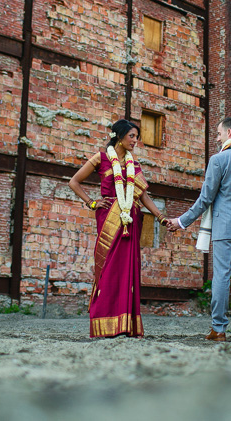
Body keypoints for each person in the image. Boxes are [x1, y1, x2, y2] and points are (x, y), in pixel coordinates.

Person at [167, 117, 231, 342]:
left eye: (218, 133)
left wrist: (182, 221)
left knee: (222, 278)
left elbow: (205, 199)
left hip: (225, 228)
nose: (217, 137)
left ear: (229, 132)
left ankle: (219, 330)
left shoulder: (218, 160)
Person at [69, 119, 168, 338]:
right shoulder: (101, 158)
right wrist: (92, 203)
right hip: (109, 218)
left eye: (137, 137)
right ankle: (104, 321)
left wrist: (161, 217)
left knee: (127, 271)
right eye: (132, 136)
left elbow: (142, 195)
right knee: (108, 271)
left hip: (130, 221)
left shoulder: (135, 165)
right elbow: (74, 182)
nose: (135, 141)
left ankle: (124, 325)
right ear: (119, 136)